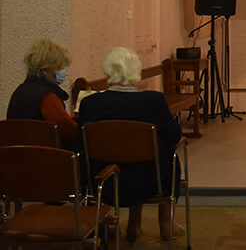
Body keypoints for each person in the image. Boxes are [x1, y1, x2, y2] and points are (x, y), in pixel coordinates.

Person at [78, 47, 183, 243]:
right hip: (150, 180)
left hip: (104, 180)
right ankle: (166, 224)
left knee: (121, 157)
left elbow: (79, 140)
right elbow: (174, 135)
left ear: (108, 71)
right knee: (168, 156)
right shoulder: (153, 101)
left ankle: (132, 224)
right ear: (136, 72)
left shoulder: (90, 103)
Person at [6, 37, 78, 148]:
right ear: (45, 69)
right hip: (45, 158)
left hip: (17, 157)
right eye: (59, 68)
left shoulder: (20, 91)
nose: (63, 72)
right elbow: (68, 131)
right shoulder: (47, 97)